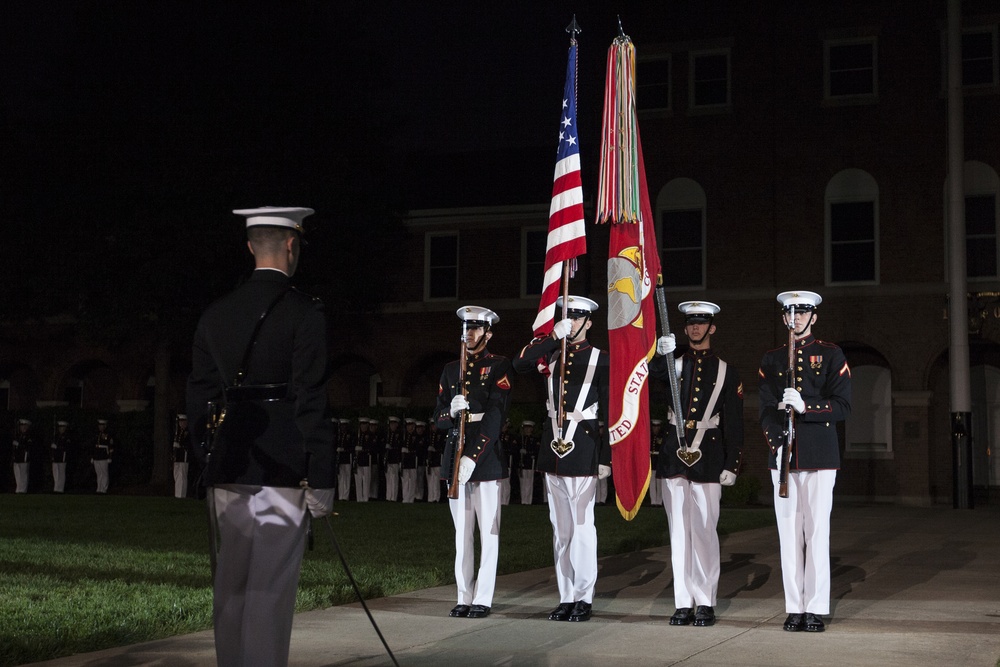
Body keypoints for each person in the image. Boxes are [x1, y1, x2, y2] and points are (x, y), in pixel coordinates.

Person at [186, 205, 335, 667]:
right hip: (284, 464)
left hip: (229, 460)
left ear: (251, 246)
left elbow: (199, 399)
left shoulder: (216, 313)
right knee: (270, 590)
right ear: (292, 245)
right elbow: (311, 400)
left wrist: (204, 462)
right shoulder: (304, 313)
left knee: (230, 587)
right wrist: (322, 474)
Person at [513, 295, 610, 623]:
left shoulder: (601, 358)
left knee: (583, 528)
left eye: (578, 318)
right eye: (568, 317)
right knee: (561, 529)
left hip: (583, 448)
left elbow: (610, 412)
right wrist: (553, 336)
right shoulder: (551, 353)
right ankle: (566, 596)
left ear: (589, 322)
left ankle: (584, 597)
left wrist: (606, 457)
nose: (573, 323)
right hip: (552, 448)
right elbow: (520, 364)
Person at [758, 290, 851, 634]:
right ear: (783, 318)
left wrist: (807, 407)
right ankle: (794, 607)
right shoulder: (771, 359)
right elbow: (765, 409)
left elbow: (843, 406)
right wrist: (778, 442)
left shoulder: (830, 354)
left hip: (819, 457)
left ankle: (815, 608)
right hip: (784, 457)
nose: (795, 319)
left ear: (814, 317)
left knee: (816, 533)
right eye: (790, 314)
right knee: (788, 536)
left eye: (802, 313)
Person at [651, 301, 743, 628]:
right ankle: (682, 602)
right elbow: (651, 376)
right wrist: (661, 354)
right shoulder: (674, 363)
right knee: (679, 533)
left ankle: (705, 601)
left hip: (709, 456)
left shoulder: (725, 370)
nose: (695, 328)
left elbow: (733, 421)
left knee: (704, 532)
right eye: (690, 323)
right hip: (674, 455)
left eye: (701, 323)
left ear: (711, 328)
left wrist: (733, 462)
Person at [435, 305, 512, 619]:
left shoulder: (498, 366)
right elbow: (438, 419)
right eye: (467, 327)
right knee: (461, 534)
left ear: (488, 333)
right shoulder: (451, 369)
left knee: (488, 533)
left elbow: (496, 416)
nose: (470, 333)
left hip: (485, 460)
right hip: (454, 457)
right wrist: (450, 412)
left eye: (477, 328)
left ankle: (483, 597)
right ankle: (463, 596)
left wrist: (471, 457)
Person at [517, 421, 539, 505]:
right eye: (525, 428)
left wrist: (528, 452)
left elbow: (536, 450)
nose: (527, 430)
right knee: (522, 482)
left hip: (530, 463)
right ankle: (523, 500)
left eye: (529, 428)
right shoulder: (520, 439)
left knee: (529, 482)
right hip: (522, 463)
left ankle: (528, 501)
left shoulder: (534, 439)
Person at [400, 418, 420, 503]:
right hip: (405, 461)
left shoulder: (416, 436)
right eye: (408, 425)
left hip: (412, 460)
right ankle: (405, 498)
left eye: (410, 425)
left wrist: (409, 451)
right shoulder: (405, 436)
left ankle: (410, 498)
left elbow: (418, 449)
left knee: (412, 481)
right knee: (405, 481)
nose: (409, 427)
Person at [384, 416, 403, 502]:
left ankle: (393, 497)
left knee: (394, 479)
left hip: (395, 459)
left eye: (394, 424)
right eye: (391, 424)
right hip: (388, 460)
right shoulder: (388, 434)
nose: (392, 426)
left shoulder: (398, 435)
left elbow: (398, 447)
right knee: (389, 479)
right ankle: (388, 496)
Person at [92, 419, 113, 494]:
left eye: (102, 425)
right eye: (99, 425)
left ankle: (104, 489)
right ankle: (99, 488)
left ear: (105, 426)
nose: (100, 427)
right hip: (96, 456)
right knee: (99, 473)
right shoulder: (96, 434)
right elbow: (94, 446)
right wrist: (92, 456)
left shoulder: (108, 435)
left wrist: (110, 457)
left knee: (104, 473)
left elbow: (110, 446)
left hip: (103, 456)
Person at [353, 418, 372, 502]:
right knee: (358, 480)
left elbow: (372, 448)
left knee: (366, 480)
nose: (363, 426)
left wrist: (362, 449)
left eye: (364, 425)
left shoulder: (370, 435)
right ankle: (359, 498)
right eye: (361, 425)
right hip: (358, 461)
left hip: (366, 460)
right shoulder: (358, 436)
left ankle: (365, 498)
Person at [12, 418, 33, 493]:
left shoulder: (29, 436)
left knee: (23, 476)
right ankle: (18, 490)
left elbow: (28, 447)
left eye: (25, 426)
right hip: (17, 458)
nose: (23, 428)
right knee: (17, 476)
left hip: (24, 458)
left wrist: (19, 444)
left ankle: (23, 491)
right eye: (22, 426)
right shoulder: (18, 436)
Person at [425, 420, 444, 503]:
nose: (433, 427)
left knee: (436, 481)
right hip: (430, 461)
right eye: (432, 426)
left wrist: (435, 450)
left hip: (437, 460)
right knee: (430, 480)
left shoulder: (440, 435)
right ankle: (431, 497)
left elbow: (442, 447)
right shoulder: (429, 436)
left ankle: (436, 497)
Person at [172, 414, 191, 498]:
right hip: (177, 456)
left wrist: (180, 445)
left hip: (183, 456)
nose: (181, 423)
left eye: (183, 421)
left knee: (182, 476)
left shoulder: (187, 432)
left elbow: (188, 445)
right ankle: (177, 494)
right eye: (180, 422)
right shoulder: (178, 432)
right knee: (176, 475)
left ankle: (181, 495)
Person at [50, 420, 71, 493]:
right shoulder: (56, 436)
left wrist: (57, 447)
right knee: (55, 473)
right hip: (55, 457)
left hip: (62, 457)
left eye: (62, 427)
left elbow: (67, 447)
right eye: (60, 427)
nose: (61, 428)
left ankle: (60, 489)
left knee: (61, 473)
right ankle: (56, 488)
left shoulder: (67, 437)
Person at [336, 418, 353, 500]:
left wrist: (344, 449)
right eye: (342, 426)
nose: (343, 428)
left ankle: (345, 496)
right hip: (340, 459)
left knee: (346, 478)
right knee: (341, 478)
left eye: (344, 426)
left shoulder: (349, 435)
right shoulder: (338, 435)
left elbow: (351, 447)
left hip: (347, 458)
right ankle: (341, 495)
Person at [648, 419, 663, 506]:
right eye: (654, 427)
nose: (655, 429)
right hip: (652, 459)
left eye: (657, 427)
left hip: (659, 459)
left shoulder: (662, 436)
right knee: (652, 481)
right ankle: (653, 501)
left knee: (659, 481)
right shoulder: (650, 436)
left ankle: (659, 501)